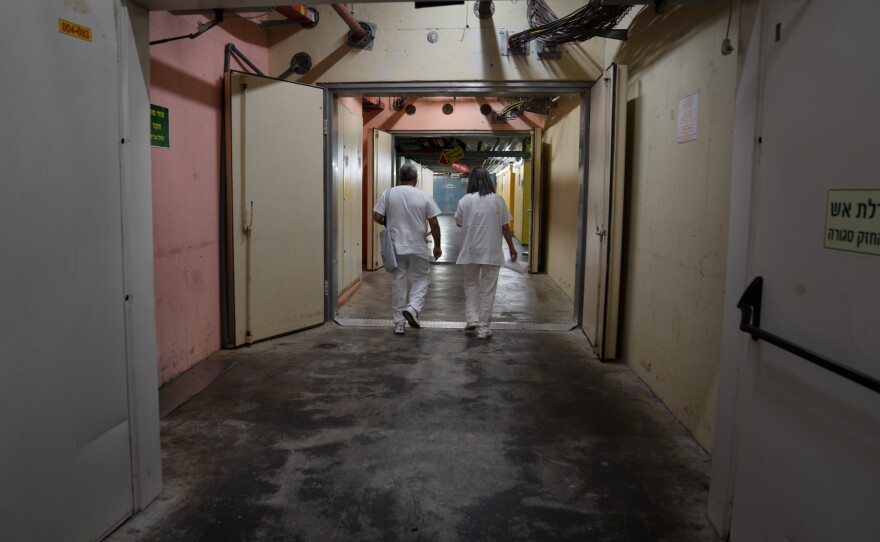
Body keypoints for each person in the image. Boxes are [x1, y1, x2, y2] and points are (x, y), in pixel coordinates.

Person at [373, 163, 442, 335]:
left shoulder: (388, 194)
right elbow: (433, 222)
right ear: (416, 179)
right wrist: (438, 246)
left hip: (396, 246)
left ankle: (399, 324)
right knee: (421, 279)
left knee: (398, 282)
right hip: (417, 245)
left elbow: (376, 216)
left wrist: (389, 222)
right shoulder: (424, 196)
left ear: (399, 178)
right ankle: (413, 309)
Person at [454, 167, 518, 339]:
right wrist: (512, 248)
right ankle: (483, 329)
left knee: (471, 285)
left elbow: (459, 223)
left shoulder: (465, 200)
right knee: (488, 290)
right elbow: (505, 227)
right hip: (491, 251)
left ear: (471, 181)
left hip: (470, 250)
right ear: (489, 181)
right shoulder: (498, 200)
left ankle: (472, 320)